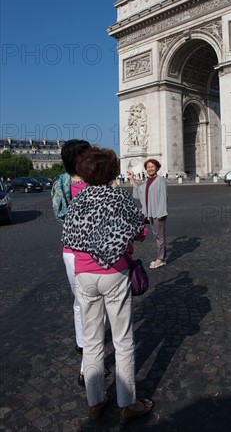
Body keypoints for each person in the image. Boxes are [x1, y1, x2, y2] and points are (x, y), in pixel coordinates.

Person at [62, 147, 153, 423]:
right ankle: (128, 403)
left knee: (91, 341)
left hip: (84, 274)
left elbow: (68, 236)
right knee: (123, 340)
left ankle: (95, 400)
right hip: (115, 272)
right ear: (113, 171)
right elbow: (142, 232)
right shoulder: (120, 198)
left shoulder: (78, 199)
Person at [51, 139, 90, 386]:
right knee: (84, 300)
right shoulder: (65, 183)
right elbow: (59, 214)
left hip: (72, 247)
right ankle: (85, 345)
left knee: (82, 300)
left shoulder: (91, 182)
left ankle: (83, 343)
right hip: (79, 250)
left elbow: (60, 212)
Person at [130, 159, 168, 269]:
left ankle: (160, 259)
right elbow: (138, 192)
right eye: (148, 167)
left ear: (157, 168)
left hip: (157, 213)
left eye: (152, 166)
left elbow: (163, 197)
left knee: (159, 236)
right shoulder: (148, 181)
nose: (150, 169)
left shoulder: (160, 180)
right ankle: (161, 256)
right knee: (157, 235)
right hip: (149, 212)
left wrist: (161, 213)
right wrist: (132, 179)